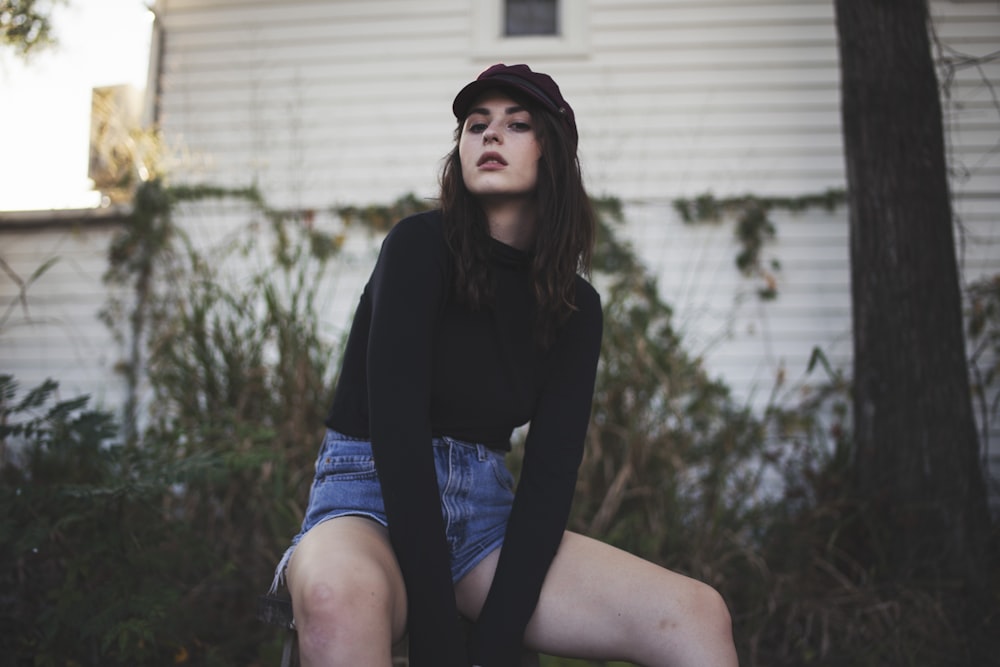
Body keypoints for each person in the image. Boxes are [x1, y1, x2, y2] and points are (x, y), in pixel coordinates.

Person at [270, 63, 738, 667]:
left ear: (552, 153)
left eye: (516, 124)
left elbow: (548, 481)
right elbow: (398, 435)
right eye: (475, 124)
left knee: (698, 616)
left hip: (485, 515)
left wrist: (494, 644)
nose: (489, 135)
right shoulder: (418, 248)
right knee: (339, 598)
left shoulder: (576, 309)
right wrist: (440, 637)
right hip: (369, 497)